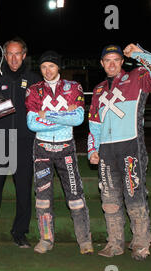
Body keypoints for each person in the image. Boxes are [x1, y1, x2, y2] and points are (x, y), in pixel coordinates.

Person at [88, 43, 151, 261]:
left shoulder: (137, 78)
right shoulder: (97, 90)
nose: (112, 64)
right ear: (102, 63)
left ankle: (141, 244)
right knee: (109, 200)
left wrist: (139, 53)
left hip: (131, 148)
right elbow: (94, 125)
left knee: (135, 197)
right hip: (106, 152)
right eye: (108, 60)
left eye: (116, 59)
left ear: (122, 61)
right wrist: (92, 150)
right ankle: (114, 243)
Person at [25, 50, 93, 255]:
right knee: (43, 198)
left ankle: (84, 240)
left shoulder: (73, 87)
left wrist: (48, 115)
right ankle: (46, 239)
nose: (47, 70)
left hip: (66, 148)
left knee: (75, 197)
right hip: (42, 149)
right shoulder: (34, 89)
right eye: (44, 66)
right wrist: (64, 115)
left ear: (59, 67)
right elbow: (31, 123)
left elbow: (78, 118)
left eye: (51, 66)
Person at [0, 38, 41, 248]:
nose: (14, 58)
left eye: (18, 54)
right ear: (4, 55)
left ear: (24, 55)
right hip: (0, 143)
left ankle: (20, 232)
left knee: (23, 191)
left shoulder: (34, 79)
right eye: (10, 54)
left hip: (24, 143)